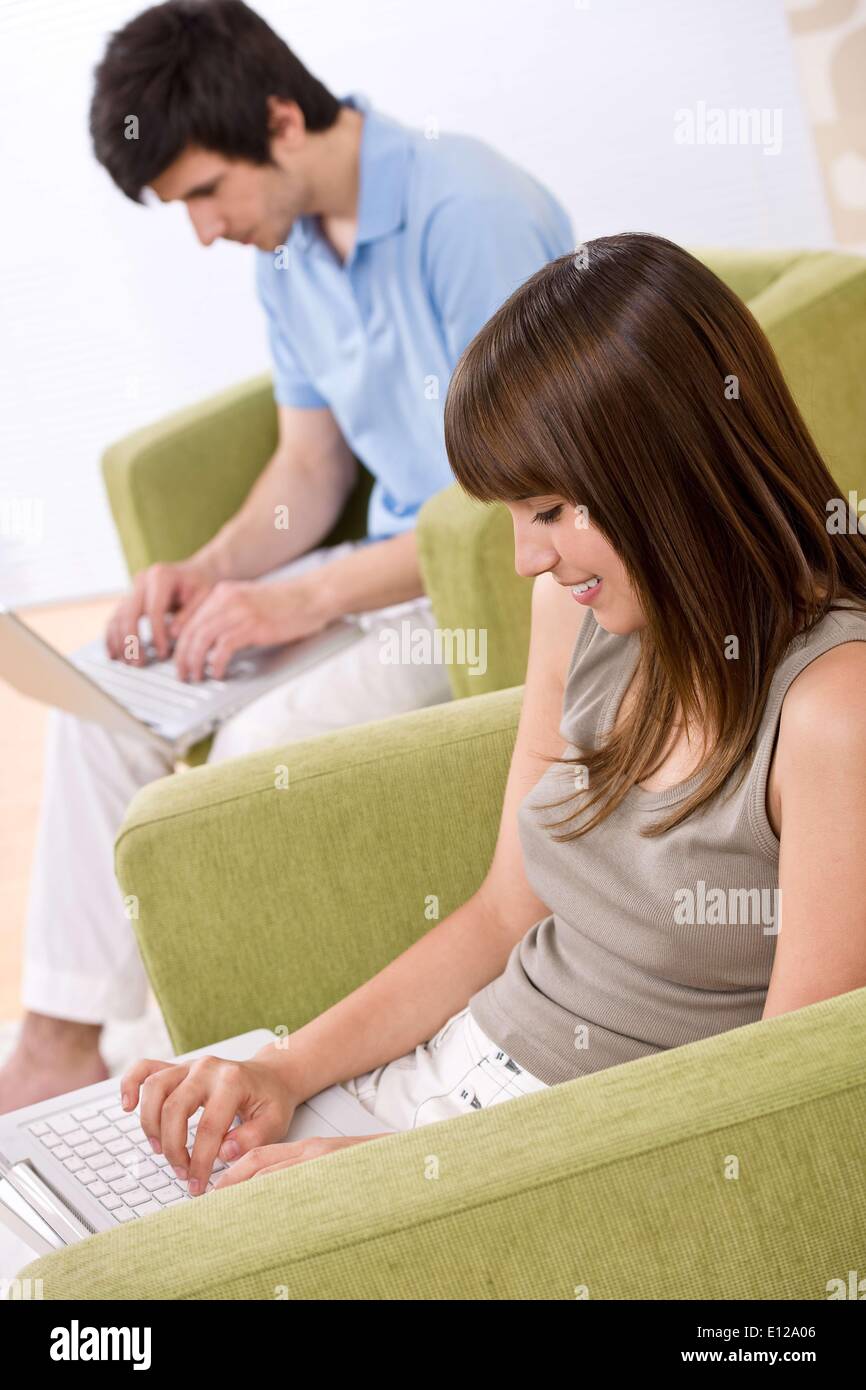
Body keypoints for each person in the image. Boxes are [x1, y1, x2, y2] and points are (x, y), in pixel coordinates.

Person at [116, 232, 866, 1196]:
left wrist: (426, 1177)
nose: (525, 562)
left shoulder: (830, 711)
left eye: (550, 511)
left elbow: (784, 1108)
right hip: (446, 1089)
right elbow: (504, 912)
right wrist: (285, 1069)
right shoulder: (584, 611)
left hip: (562, 1174)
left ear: (673, 472)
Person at [0, 0, 574, 1112]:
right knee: (100, 707)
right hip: (364, 576)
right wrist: (214, 572)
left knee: (258, 744)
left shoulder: (471, 211)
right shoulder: (288, 251)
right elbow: (307, 470)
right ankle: (57, 1045)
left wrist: (298, 600)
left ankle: (196, 1073)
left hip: (482, 584)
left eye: (205, 193)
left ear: (279, 117)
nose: (203, 231)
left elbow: (517, 496)